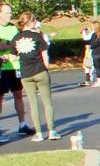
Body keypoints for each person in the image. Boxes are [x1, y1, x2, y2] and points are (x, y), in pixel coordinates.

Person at [0, 12, 59, 140]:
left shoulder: (16, 36)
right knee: (47, 102)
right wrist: (46, 69)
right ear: (31, 22)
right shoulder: (38, 36)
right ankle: (52, 130)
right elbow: (45, 54)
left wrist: (6, 57)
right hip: (38, 70)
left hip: (25, 73)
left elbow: (14, 55)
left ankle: (37, 132)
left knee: (32, 103)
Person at [0, 2, 34, 138]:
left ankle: (22, 124)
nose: (10, 15)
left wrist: (7, 45)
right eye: (7, 12)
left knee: (18, 94)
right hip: (2, 67)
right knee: (0, 98)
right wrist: (10, 46)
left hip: (15, 67)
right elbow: (6, 46)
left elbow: (19, 45)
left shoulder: (13, 29)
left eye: (11, 12)